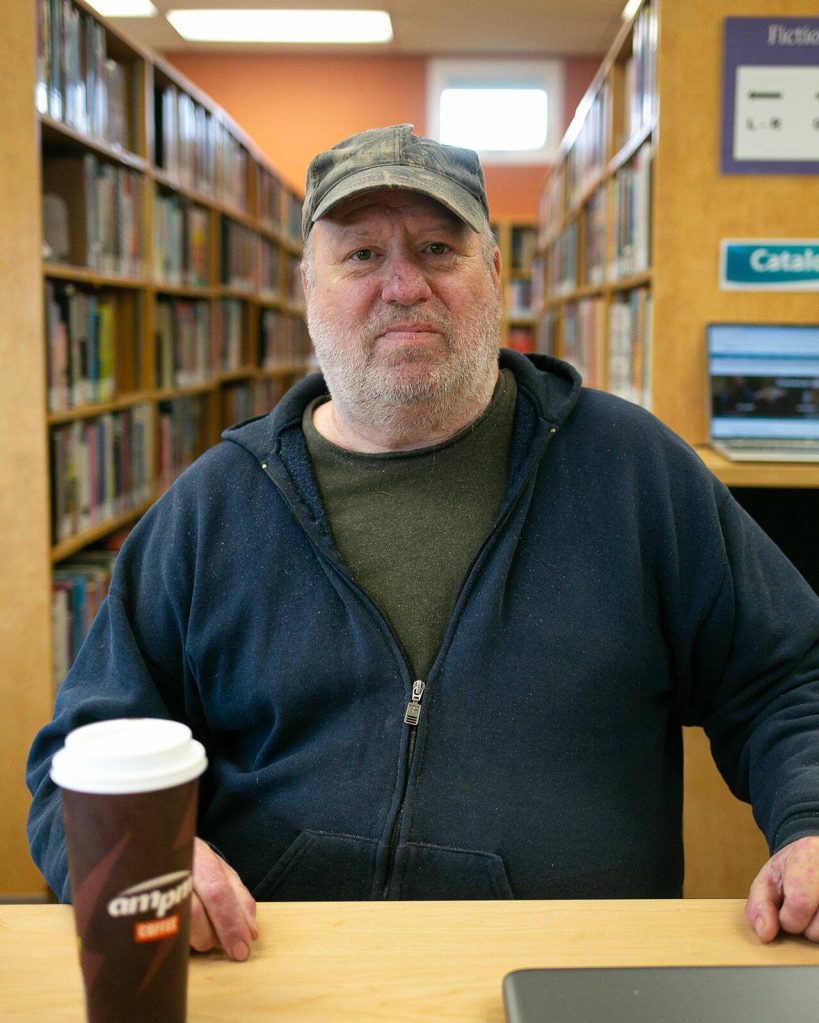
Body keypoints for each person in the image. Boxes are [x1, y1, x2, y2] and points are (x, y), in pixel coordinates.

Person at [27, 124, 819, 962]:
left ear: (494, 274)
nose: (404, 285)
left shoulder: (632, 473)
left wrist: (809, 822)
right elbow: (78, 754)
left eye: (438, 247)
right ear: (307, 288)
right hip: (267, 968)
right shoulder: (212, 509)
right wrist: (134, 859)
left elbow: (788, 676)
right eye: (361, 255)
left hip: (569, 972)